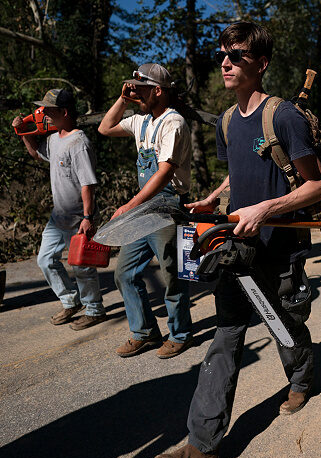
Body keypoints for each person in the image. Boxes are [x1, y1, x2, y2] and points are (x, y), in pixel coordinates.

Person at [151, 22, 321, 458]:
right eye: (223, 54)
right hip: (237, 247)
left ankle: (301, 378)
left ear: (261, 64)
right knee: (226, 337)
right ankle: (203, 447)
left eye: (238, 55)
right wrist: (215, 197)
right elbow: (241, 173)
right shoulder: (228, 121)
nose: (226, 62)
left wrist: (269, 207)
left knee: (284, 324)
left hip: (278, 247)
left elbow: (318, 185)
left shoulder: (283, 116)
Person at [98, 63, 193, 359]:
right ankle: (145, 332)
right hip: (144, 207)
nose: (135, 93)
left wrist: (129, 206)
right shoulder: (139, 120)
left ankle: (180, 334)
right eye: (133, 89)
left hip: (167, 206)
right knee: (125, 273)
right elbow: (105, 128)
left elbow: (165, 172)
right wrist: (123, 100)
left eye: (139, 90)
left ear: (158, 91)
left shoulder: (173, 123)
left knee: (171, 275)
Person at [12, 89, 107, 330]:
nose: (43, 114)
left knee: (82, 267)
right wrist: (23, 132)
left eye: (49, 110)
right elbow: (35, 153)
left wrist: (87, 217)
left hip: (79, 217)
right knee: (45, 259)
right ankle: (70, 301)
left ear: (64, 112)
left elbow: (87, 183)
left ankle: (94, 309)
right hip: (59, 216)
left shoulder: (79, 143)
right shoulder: (54, 139)